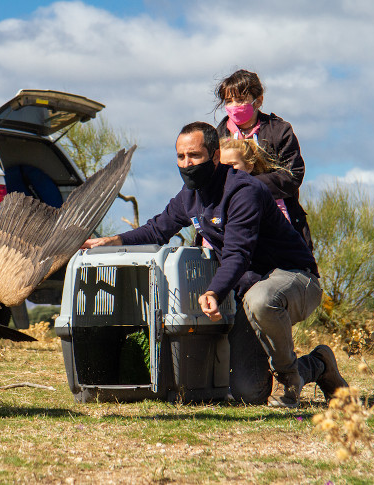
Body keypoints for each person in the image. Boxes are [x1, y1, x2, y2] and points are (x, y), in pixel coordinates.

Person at [83, 122, 347, 408]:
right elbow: (157, 229)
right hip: (248, 287)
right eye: (181, 157)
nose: (187, 163)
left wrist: (214, 292)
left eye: (195, 155)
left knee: (262, 300)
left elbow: (238, 254)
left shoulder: (244, 191)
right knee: (249, 393)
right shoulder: (190, 196)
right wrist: (115, 240)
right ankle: (319, 365)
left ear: (216, 156)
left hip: (294, 277)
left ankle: (288, 380)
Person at [214, 69, 312, 250]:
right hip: (232, 226)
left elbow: (293, 175)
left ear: (258, 100)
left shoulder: (280, 130)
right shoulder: (217, 135)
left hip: (281, 223)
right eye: (229, 101)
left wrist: (247, 186)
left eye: (241, 99)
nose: (234, 105)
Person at [219, 137, 290, 221]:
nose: (227, 168)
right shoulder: (217, 192)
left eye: (232, 164)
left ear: (249, 167)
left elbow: (281, 224)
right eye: (222, 164)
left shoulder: (263, 192)